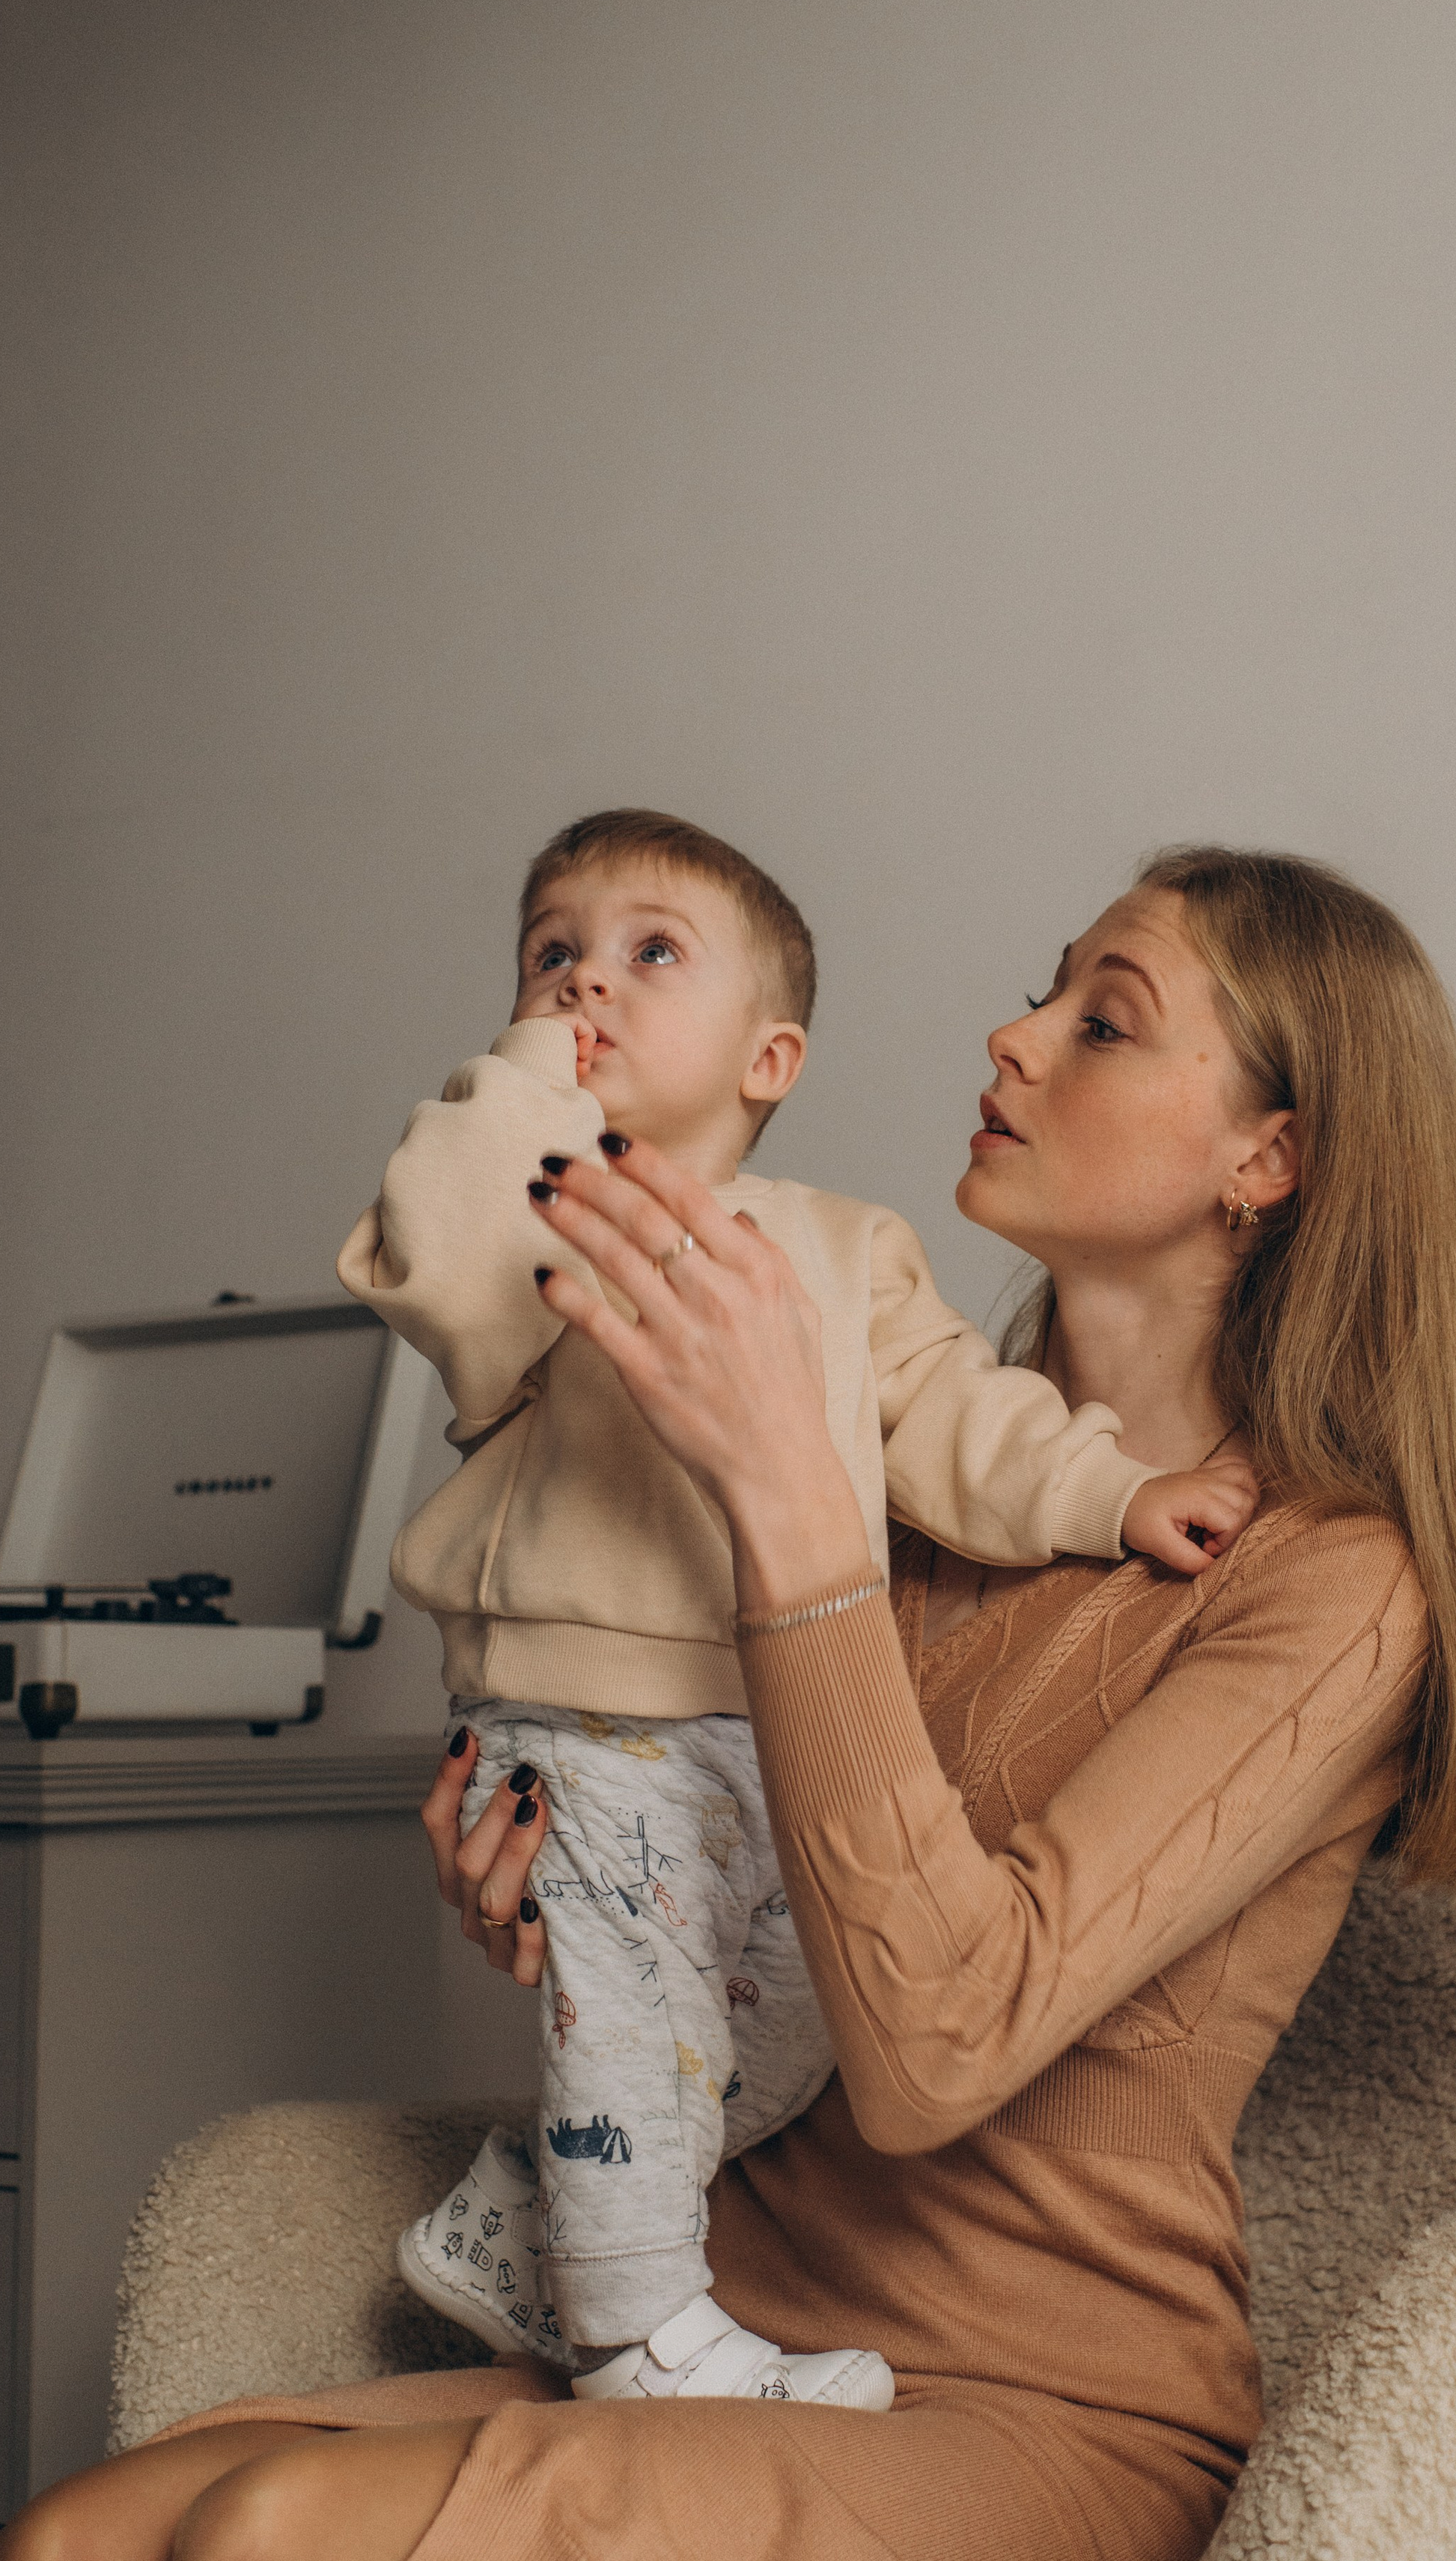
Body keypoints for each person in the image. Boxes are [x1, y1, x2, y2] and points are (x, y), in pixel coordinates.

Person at [0, 848, 1456, 2561]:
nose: (1009, 1039)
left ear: (1265, 1158)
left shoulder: (1329, 1590)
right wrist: (561, 1877)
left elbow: (940, 2042)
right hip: (741, 2331)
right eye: (1041, 992)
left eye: (1101, 1018)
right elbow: (754, 1916)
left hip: (1040, 2426)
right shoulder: (913, 1492)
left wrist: (791, 1517)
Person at [339, 807, 1253, 2403]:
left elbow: (959, 1419)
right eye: (551, 952)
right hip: (576, 1708)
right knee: (628, 2007)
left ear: (769, 1058)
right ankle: (633, 2331)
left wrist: (1112, 1494)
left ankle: (526, 2223)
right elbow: (428, 1247)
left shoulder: (844, 1251)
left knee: (776, 2030)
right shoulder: (540, 1220)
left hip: (755, 1729)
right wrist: (530, 1077)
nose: (585, 984)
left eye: (647, 953)